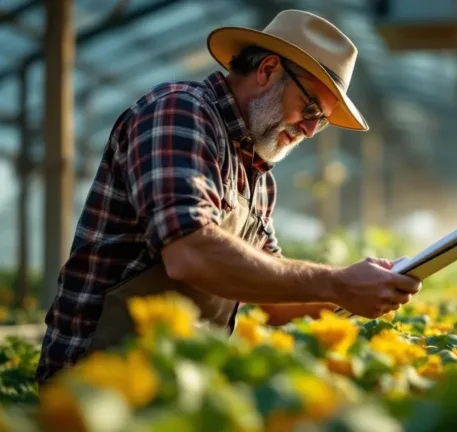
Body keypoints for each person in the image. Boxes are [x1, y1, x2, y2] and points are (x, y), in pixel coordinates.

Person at [35, 9, 422, 385]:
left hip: (176, 379)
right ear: (267, 70)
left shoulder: (257, 176)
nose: (307, 130)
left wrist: (367, 290)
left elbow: (272, 301)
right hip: (96, 384)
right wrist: (337, 283)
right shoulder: (178, 113)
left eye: (319, 121)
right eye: (309, 108)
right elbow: (191, 253)